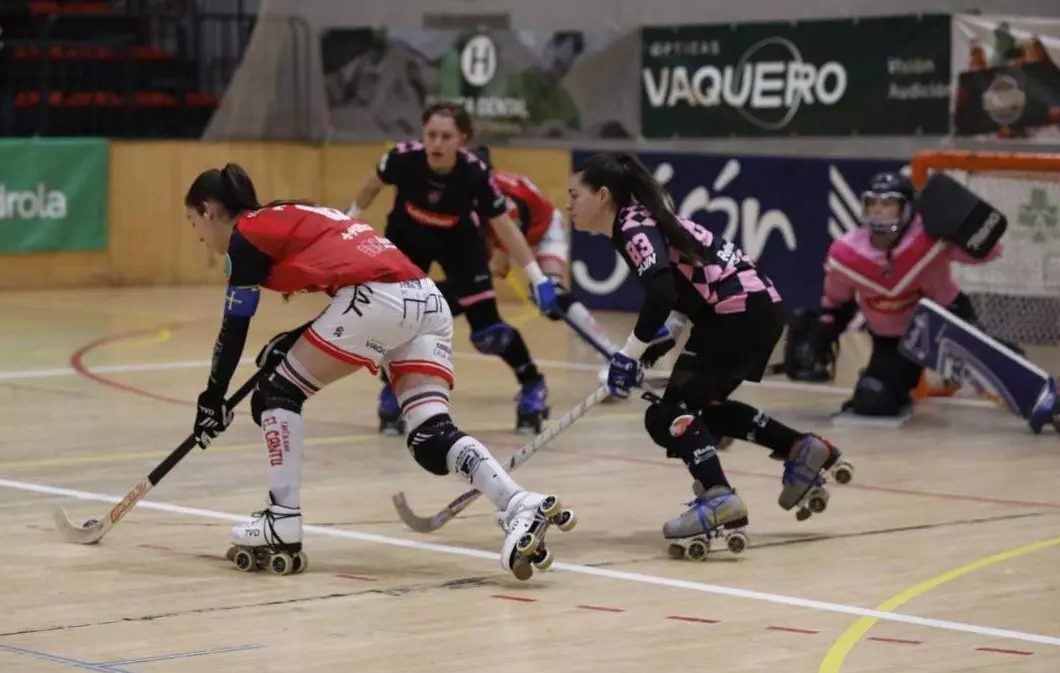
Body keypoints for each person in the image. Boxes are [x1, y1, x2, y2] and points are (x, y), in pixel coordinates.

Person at [184, 163, 575, 580]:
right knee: (430, 437)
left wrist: (212, 399)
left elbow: (234, 327)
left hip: (379, 300)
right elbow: (352, 275)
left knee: (276, 392)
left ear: (209, 210)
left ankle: (282, 519)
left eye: (194, 222)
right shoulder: (286, 214)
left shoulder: (246, 235)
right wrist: (291, 340)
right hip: (425, 299)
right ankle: (520, 504)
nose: (198, 235)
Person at [565, 152, 850, 560]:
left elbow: (661, 291)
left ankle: (718, 497)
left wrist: (628, 354)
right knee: (699, 412)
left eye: (575, 195)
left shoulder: (632, 226)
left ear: (603, 195)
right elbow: (687, 285)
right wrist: (660, 339)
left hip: (737, 314)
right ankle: (800, 448)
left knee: (667, 414)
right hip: (753, 308)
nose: (568, 205)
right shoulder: (640, 219)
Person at [346, 103, 558, 436]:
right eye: (431, 135)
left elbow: (504, 226)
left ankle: (532, 384)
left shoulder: (474, 173)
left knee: (488, 333)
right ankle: (392, 389)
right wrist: (348, 225)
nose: (437, 143)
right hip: (408, 237)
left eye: (446, 137)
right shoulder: (403, 158)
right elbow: (372, 186)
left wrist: (537, 277)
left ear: (463, 139)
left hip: (460, 243)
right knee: (397, 321)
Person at [784, 171, 1016, 418]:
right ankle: (897, 388)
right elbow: (837, 303)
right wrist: (821, 332)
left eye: (887, 204)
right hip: (896, 341)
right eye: (872, 203)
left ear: (906, 209)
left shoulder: (930, 238)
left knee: (994, 364)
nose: (877, 210)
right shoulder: (846, 254)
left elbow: (986, 253)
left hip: (947, 321)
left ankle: (1029, 382)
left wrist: (970, 228)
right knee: (873, 400)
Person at [468, 144, 687, 397]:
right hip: (522, 236)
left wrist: (495, 266)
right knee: (547, 301)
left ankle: (610, 354)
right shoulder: (479, 187)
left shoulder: (502, 194)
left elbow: (507, 244)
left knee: (555, 295)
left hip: (544, 232)